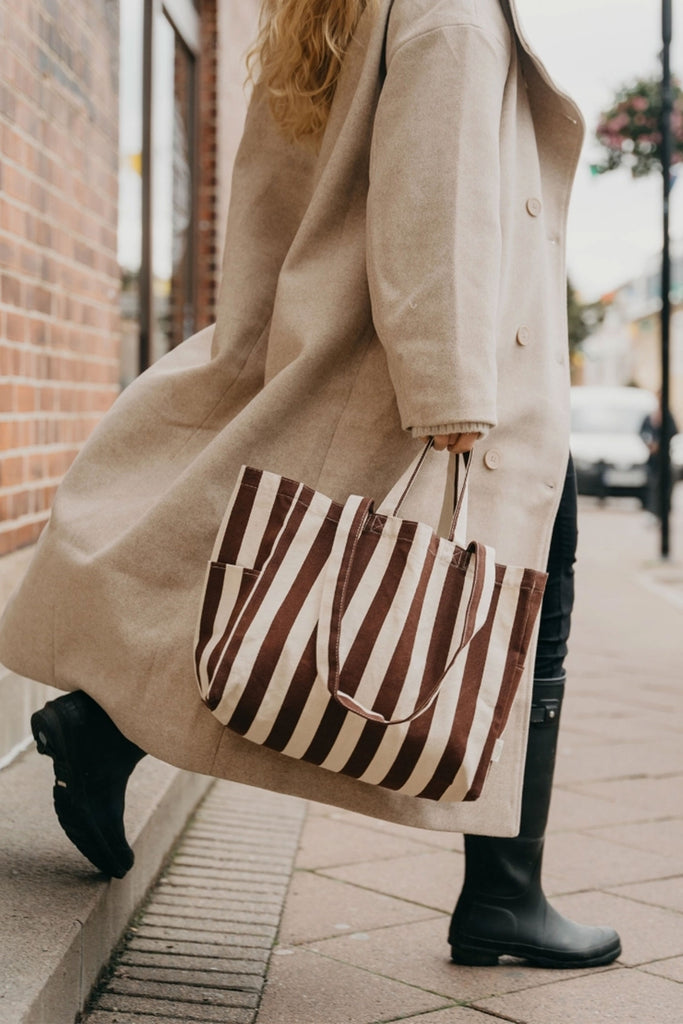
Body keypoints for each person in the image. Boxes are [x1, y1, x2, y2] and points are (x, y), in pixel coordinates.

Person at [1, 0, 620, 968]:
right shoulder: (450, 14)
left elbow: (266, 201)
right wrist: (448, 384)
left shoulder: (340, 10)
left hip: (342, 349)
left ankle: (103, 730)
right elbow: (435, 197)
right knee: (520, 603)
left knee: (264, 584)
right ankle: (504, 893)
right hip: (432, 366)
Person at [640, 392, 678, 518]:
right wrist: (649, 443)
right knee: (653, 484)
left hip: (665, 458)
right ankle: (652, 511)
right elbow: (643, 432)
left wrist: (661, 443)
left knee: (665, 485)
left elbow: (674, 431)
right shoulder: (651, 416)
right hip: (653, 459)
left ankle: (663, 512)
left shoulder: (667, 416)